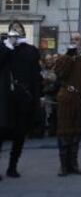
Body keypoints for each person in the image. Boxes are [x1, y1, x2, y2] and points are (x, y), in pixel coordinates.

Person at [0, 21, 42, 179]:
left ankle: (12, 166)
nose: (16, 32)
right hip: (5, 98)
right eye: (13, 30)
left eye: (19, 29)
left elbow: (35, 77)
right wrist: (8, 46)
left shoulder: (31, 50)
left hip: (24, 98)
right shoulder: (4, 48)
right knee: (1, 133)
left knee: (19, 134)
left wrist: (37, 98)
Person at [54, 32, 81, 176]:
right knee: (64, 132)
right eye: (72, 39)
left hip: (80, 99)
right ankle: (64, 165)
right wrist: (69, 56)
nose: (75, 42)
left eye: (77, 39)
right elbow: (59, 74)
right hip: (66, 97)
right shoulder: (63, 58)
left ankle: (74, 164)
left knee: (77, 132)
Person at [41, 53, 60, 136]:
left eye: (50, 59)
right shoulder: (42, 70)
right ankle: (50, 128)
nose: (49, 61)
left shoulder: (57, 69)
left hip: (55, 92)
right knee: (48, 112)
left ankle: (55, 129)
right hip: (47, 93)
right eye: (47, 60)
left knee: (56, 113)